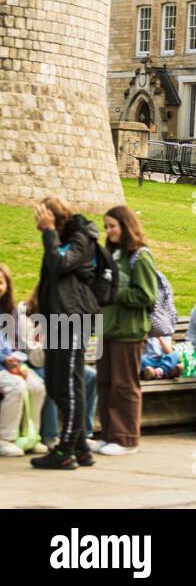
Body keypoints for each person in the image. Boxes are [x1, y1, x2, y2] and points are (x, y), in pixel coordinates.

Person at [29, 197, 100, 470]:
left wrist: (48, 232)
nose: (38, 224)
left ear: (54, 218)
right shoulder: (61, 238)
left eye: (43, 219)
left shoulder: (80, 238)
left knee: (70, 386)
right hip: (58, 321)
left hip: (73, 321)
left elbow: (60, 263)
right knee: (57, 384)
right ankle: (81, 449)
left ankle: (65, 453)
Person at [89, 206, 159, 457]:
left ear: (126, 226)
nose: (108, 231)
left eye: (112, 226)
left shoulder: (140, 257)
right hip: (108, 330)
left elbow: (146, 295)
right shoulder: (112, 255)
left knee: (124, 386)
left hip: (129, 332)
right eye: (106, 226)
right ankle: (108, 435)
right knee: (105, 384)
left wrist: (114, 290)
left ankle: (126, 437)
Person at [0, 265, 47, 457]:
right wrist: (7, 360)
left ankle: (31, 436)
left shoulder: (8, 311)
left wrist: (17, 363)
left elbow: (14, 345)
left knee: (38, 386)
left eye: (1, 282)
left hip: (8, 365)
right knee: (16, 386)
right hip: (3, 366)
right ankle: (5, 439)